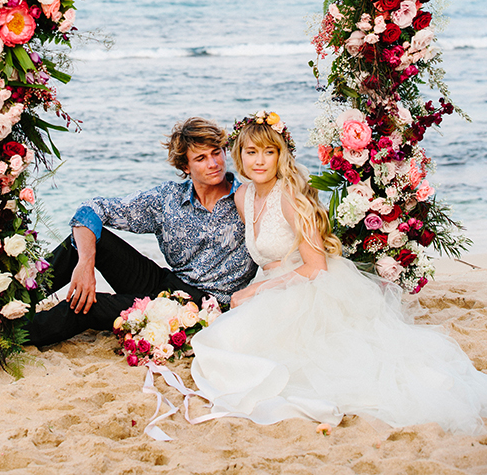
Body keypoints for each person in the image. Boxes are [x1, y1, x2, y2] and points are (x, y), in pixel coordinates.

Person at [190, 110, 487, 434]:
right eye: (251, 152)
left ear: (280, 155)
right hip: (272, 283)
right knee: (225, 341)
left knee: (239, 348)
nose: (259, 161)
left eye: (268, 151)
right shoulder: (243, 196)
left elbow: (315, 266)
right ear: (239, 155)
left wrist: (255, 291)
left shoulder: (291, 196)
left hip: (306, 283)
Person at [28, 117, 257, 347]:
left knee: (85, 306)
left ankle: (10, 336)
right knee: (85, 240)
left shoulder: (249, 199)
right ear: (185, 167)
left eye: (216, 153)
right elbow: (91, 210)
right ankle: (13, 303)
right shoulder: (167, 199)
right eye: (201, 158)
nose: (213, 163)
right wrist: (86, 263)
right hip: (165, 282)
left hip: (199, 307)